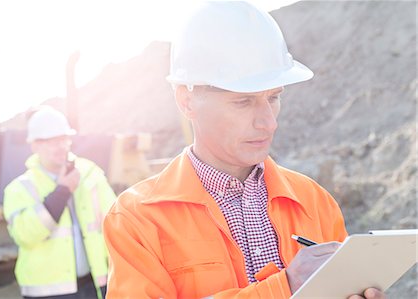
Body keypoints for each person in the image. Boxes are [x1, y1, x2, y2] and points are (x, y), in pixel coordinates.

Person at [103, 1, 386, 298]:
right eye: (243, 101)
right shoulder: (137, 218)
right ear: (186, 101)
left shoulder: (314, 201)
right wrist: (284, 286)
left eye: (274, 97)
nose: (268, 123)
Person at [3, 106, 116, 299]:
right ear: (34, 145)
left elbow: (115, 223)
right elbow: (25, 235)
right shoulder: (20, 188)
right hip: (48, 293)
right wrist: (61, 192)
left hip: (94, 285)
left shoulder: (90, 174)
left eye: (63, 139)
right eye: (51, 141)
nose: (60, 146)